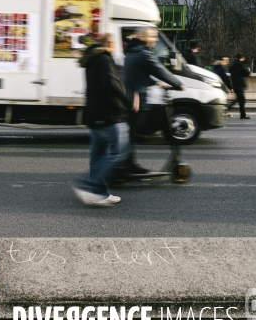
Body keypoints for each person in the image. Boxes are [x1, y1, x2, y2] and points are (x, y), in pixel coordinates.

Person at [72, 34, 132, 206]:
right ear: (109, 43)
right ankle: (87, 185)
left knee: (97, 155)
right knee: (117, 153)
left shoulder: (91, 59)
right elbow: (111, 84)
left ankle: (99, 193)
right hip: (108, 114)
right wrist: (128, 101)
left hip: (93, 114)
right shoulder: (104, 59)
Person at [123, 27, 184, 174]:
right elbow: (160, 70)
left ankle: (128, 164)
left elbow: (139, 73)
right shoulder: (143, 54)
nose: (156, 40)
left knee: (131, 134)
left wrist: (155, 83)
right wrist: (179, 84)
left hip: (131, 98)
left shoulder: (132, 51)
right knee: (133, 134)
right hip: (138, 101)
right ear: (143, 37)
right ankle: (127, 166)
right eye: (153, 37)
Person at [228, 53, 251, 120]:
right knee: (241, 100)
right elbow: (247, 73)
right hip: (240, 84)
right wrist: (249, 70)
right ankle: (242, 115)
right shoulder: (241, 65)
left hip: (235, 84)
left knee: (240, 100)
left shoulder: (233, 65)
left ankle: (243, 114)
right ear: (242, 57)